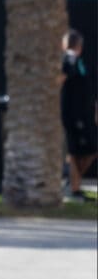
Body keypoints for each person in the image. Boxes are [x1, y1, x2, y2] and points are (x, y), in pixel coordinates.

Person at [61, 29, 97, 201]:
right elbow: (61, 79)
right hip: (74, 116)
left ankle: (72, 183)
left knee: (88, 150)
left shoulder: (79, 62)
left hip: (84, 115)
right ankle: (73, 189)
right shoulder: (68, 60)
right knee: (75, 152)